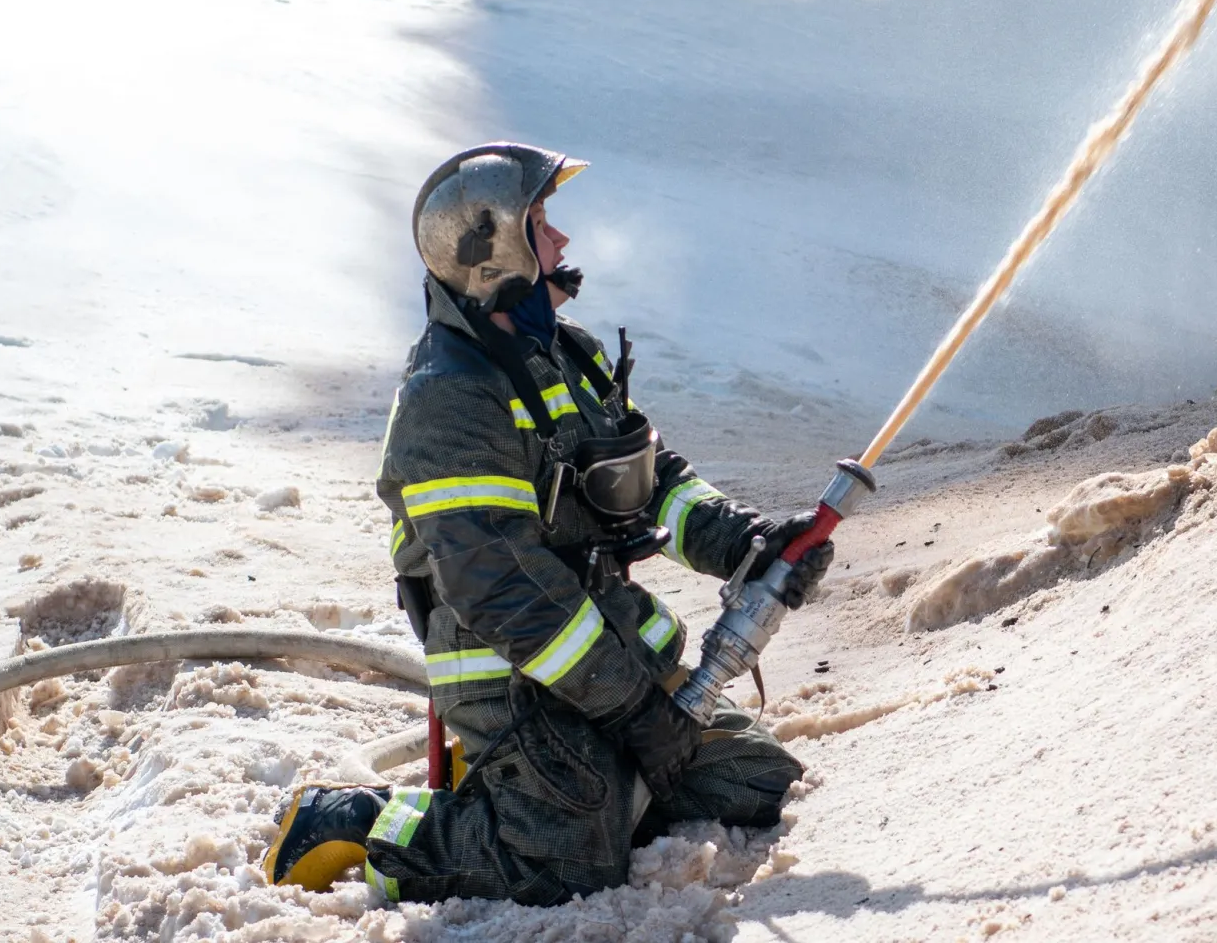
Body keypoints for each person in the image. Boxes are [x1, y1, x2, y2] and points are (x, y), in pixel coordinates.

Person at [261, 142, 833, 904]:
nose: (562, 242)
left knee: (756, 783)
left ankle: (557, 789)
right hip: (513, 665)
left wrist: (745, 543)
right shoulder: (451, 399)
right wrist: (635, 711)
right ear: (493, 256)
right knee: (567, 865)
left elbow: (650, 478)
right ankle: (360, 824)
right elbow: (505, 592)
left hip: (605, 644)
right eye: (541, 223)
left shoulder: (570, 356)